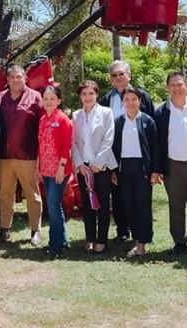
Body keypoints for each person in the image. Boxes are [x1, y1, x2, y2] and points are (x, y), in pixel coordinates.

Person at [152, 72, 187, 255]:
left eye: (180, 84)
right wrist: (157, 168)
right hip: (172, 166)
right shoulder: (161, 112)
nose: (177, 88)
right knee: (176, 205)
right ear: (167, 87)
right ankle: (179, 243)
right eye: (173, 85)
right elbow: (157, 142)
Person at [100, 60, 155, 242]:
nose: (118, 78)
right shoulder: (107, 99)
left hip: (139, 156)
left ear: (129, 75)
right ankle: (122, 230)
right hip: (114, 152)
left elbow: (152, 129)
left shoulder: (142, 96)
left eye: (121, 74)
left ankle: (140, 233)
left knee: (140, 198)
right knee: (118, 195)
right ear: (111, 79)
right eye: (114, 75)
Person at [0, 64, 43, 246]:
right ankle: (5, 229)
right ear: (7, 79)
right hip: (5, 156)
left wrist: (40, 157)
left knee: (32, 194)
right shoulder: (0, 98)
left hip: (28, 155)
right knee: (5, 194)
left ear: (25, 78)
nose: (15, 80)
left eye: (19, 77)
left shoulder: (35, 97)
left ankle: (35, 230)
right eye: (12, 77)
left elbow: (42, 127)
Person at [112, 86, 160, 258]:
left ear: (140, 101)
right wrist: (114, 171)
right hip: (125, 168)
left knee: (143, 206)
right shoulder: (118, 122)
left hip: (143, 169)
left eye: (134, 99)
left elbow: (155, 148)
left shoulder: (148, 121)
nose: (130, 103)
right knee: (129, 205)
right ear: (122, 102)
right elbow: (114, 149)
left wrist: (155, 171)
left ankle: (142, 243)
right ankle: (135, 237)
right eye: (127, 100)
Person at [71, 80, 116, 254]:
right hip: (84, 167)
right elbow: (74, 142)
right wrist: (79, 163)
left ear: (97, 94)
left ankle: (101, 240)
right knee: (87, 204)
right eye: (84, 94)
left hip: (102, 166)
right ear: (80, 96)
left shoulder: (106, 112)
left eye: (91, 93)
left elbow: (108, 138)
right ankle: (90, 238)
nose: (87, 97)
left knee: (103, 204)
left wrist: (98, 163)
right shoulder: (76, 115)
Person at [39, 86, 73, 259]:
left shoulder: (63, 119)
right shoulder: (43, 119)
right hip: (45, 169)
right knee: (55, 206)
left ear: (59, 101)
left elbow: (67, 146)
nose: (49, 101)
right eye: (46, 98)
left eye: (52, 98)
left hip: (59, 171)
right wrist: (39, 167)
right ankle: (63, 241)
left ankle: (55, 246)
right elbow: (41, 145)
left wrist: (61, 167)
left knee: (52, 207)